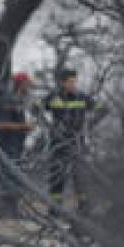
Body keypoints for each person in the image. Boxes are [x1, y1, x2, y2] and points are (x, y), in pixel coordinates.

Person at [40, 67, 100, 214]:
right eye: (70, 82)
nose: (73, 84)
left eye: (75, 81)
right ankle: (55, 208)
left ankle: (84, 208)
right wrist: (48, 126)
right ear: (63, 82)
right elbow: (35, 107)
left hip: (76, 142)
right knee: (57, 176)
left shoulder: (82, 97)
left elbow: (103, 109)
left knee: (79, 176)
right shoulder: (53, 97)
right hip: (58, 143)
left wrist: (89, 125)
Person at [0, 71, 35, 217]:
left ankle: (13, 211)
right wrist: (24, 127)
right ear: (21, 84)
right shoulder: (9, 101)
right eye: (27, 84)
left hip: (17, 146)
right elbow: (2, 125)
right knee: (8, 178)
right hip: (7, 147)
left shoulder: (19, 101)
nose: (29, 86)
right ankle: (6, 213)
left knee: (16, 178)